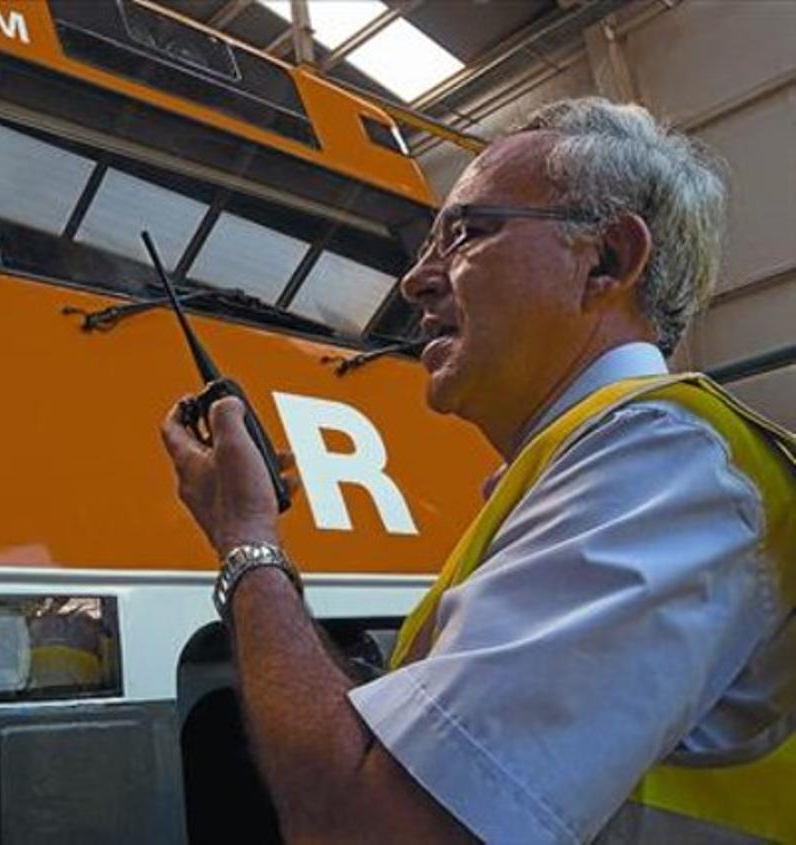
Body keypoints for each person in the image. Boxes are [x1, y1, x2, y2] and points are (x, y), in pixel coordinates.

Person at [160, 97, 795, 844]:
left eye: (466, 233)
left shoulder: (665, 462)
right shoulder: (594, 470)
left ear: (607, 261)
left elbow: (366, 828)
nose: (415, 281)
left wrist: (247, 540)